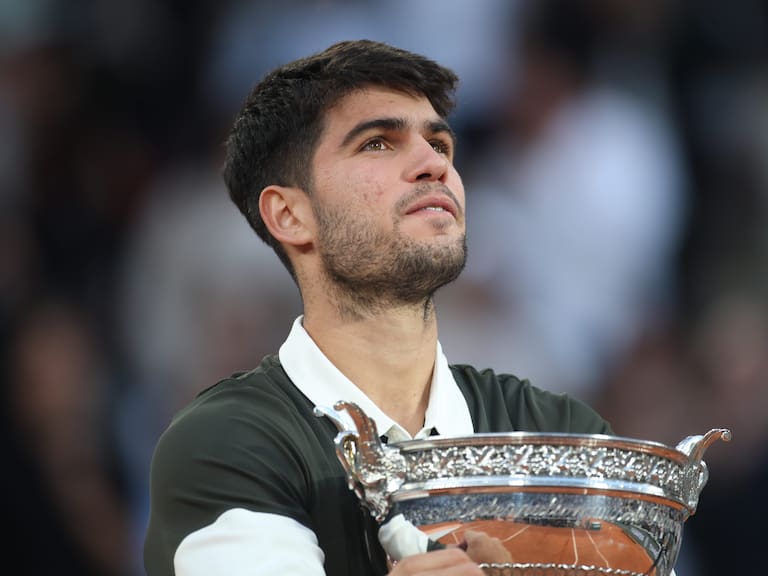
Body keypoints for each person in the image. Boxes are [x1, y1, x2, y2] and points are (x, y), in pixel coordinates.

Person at [143, 39, 612, 576]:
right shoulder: (227, 446)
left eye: (440, 143)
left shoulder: (560, 431)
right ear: (290, 216)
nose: (431, 164)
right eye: (377, 144)